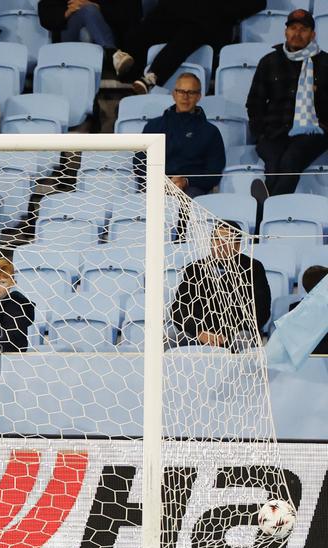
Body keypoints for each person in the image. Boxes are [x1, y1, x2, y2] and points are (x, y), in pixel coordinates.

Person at [247, 9, 328, 198]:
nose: (297, 33)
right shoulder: (269, 62)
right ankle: (270, 208)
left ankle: (263, 207)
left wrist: (318, 96)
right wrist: (260, 134)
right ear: (286, 32)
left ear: (313, 35)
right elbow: (255, 102)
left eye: (303, 29)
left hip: (312, 131)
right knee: (274, 163)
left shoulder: (325, 63)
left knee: (291, 159)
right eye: (293, 28)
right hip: (274, 131)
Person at [170, 219, 272, 350]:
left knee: (243, 338)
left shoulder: (253, 268)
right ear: (211, 242)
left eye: (227, 240)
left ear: (237, 245)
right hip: (201, 334)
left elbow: (262, 310)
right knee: (169, 337)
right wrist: (199, 331)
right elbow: (178, 308)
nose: (221, 244)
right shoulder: (194, 269)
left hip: (237, 333)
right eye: (217, 239)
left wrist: (226, 333)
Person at [125, 0, 264, 94]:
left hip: (212, 27)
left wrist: (217, 9)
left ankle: (153, 76)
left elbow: (257, 3)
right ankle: (129, 63)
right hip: (183, 17)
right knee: (154, 21)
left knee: (191, 33)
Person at [142, 73, 225, 198]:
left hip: (192, 190)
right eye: (181, 92)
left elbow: (214, 172)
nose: (185, 97)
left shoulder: (211, 132)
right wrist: (160, 182)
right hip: (156, 187)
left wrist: (186, 181)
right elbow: (140, 162)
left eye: (191, 92)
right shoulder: (153, 126)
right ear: (174, 94)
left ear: (198, 96)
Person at [37, 0, 140, 76]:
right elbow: (45, 14)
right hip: (70, 35)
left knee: (89, 11)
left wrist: (98, 8)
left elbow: (128, 15)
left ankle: (111, 54)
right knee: (88, 11)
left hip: (103, 31)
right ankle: (113, 54)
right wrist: (67, 12)